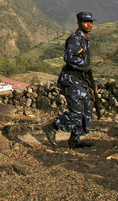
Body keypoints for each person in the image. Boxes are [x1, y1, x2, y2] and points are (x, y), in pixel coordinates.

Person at [43, 12, 96, 149]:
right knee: (76, 112)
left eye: (91, 22)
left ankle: (75, 140)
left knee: (87, 112)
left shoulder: (85, 39)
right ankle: (52, 127)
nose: (89, 24)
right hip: (71, 80)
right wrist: (85, 65)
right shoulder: (75, 39)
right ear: (78, 22)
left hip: (80, 81)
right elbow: (69, 57)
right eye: (85, 21)